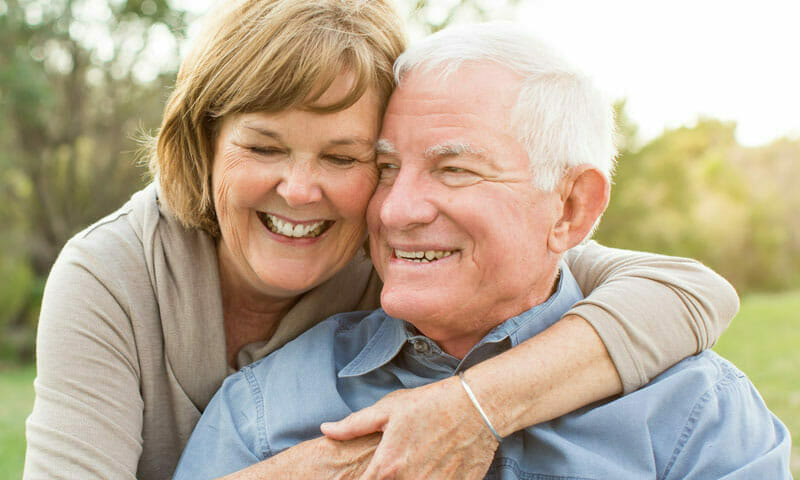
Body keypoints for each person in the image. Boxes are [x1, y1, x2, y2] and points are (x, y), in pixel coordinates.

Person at [24, 1, 739, 479]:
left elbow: (689, 290)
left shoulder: (396, 241)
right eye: (264, 148)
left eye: (346, 157)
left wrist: (472, 408)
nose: (302, 191)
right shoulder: (112, 276)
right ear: (204, 145)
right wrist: (351, 461)